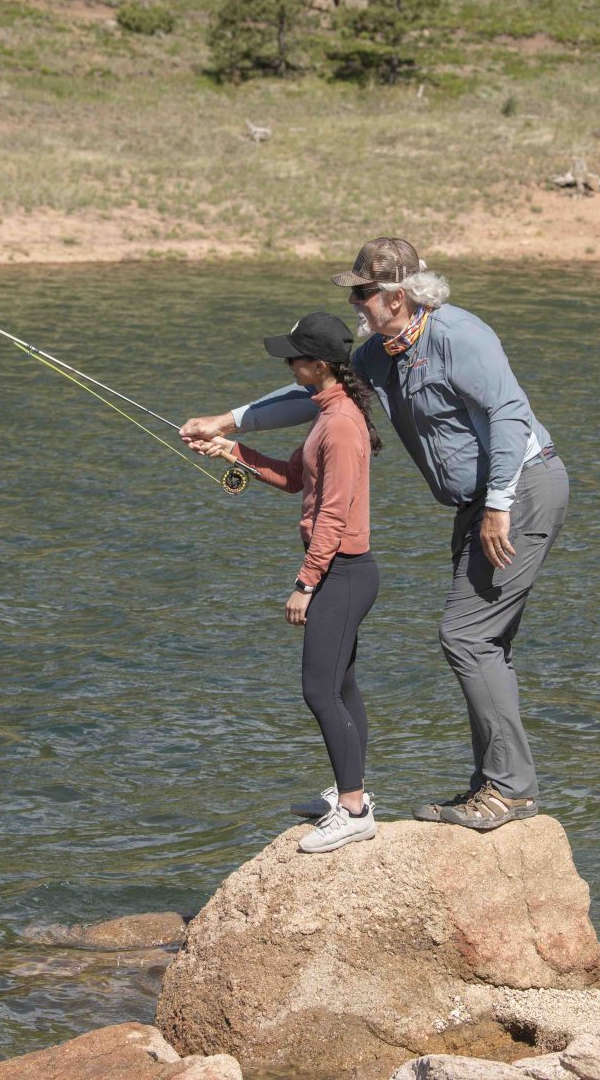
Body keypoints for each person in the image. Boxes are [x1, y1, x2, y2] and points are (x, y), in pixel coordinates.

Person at [182, 238, 566, 833]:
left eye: (362, 292)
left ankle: (511, 792)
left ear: (396, 295)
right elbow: (309, 395)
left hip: (520, 490)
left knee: (467, 637)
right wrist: (227, 423)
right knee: (483, 644)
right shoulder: (380, 353)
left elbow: (510, 414)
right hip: (477, 504)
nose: (354, 303)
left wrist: (497, 505)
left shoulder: (460, 336)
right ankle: (492, 783)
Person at [195, 311, 383, 855]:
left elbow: (334, 514)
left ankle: (355, 810)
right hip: (338, 571)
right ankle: (349, 792)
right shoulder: (328, 413)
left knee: (319, 690)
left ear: (319, 365)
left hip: (342, 572)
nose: (288, 366)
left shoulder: (341, 425)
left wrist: (305, 583)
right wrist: (232, 450)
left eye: (294, 359)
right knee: (341, 687)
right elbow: (295, 479)